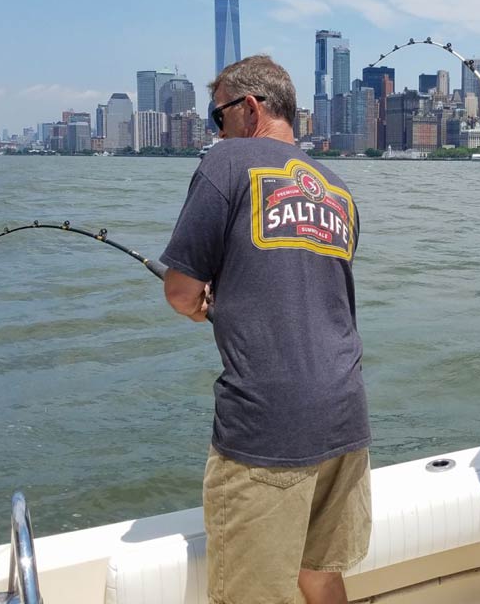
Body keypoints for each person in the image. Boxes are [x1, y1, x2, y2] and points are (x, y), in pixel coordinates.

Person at [161, 55, 371, 604]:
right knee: (321, 574)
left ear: (249, 109)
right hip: (345, 415)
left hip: (267, 423)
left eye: (217, 116)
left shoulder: (227, 161)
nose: (217, 128)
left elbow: (181, 289)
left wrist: (201, 305)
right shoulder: (337, 186)